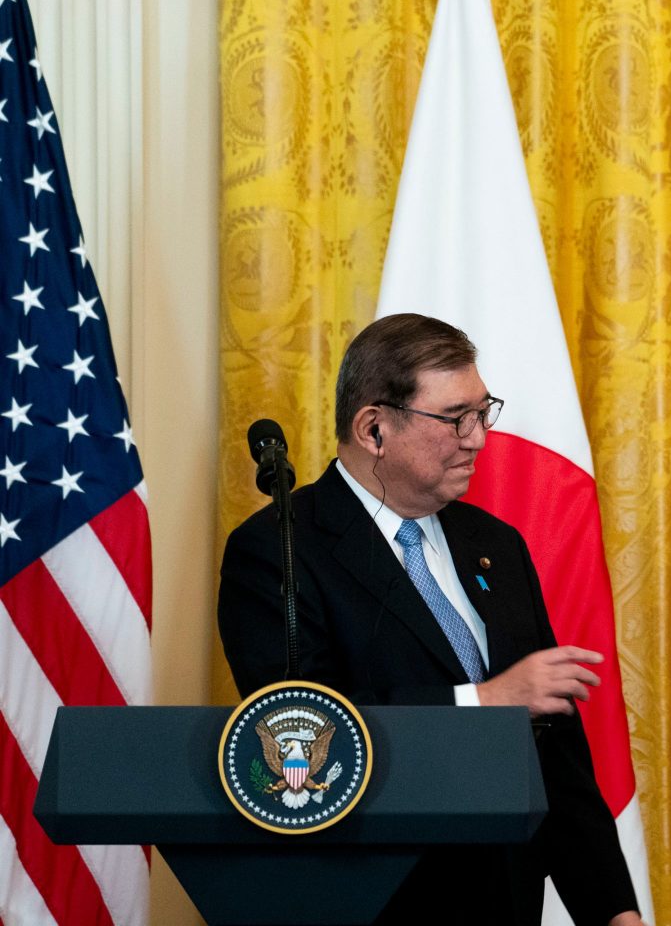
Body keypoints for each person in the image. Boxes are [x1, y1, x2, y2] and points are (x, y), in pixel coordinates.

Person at [219, 313, 645, 926]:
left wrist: (614, 911)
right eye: (455, 418)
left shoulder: (495, 543)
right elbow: (302, 732)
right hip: (376, 904)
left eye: (482, 412)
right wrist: (484, 702)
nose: (478, 439)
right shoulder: (279, 548)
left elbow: (555, 756)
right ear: (373, 429)